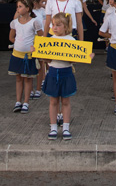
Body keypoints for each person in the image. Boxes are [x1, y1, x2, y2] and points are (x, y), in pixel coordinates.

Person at [44, 13, 84, 141]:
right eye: (53, 25)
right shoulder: (50, 40)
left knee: (66, 101)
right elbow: (47, 59)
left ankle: (66, 127)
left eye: (58, 25)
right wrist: (37, 51)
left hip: (66, 72)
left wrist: (86, 57)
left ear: (66, 26)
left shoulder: (71, 41)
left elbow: (74, 60)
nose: (54, 28)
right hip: (53, 72)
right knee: (53, 101)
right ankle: (53, 127)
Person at [9, 0, 43, 114]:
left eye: (20, 6)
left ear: (28, 8)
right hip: (17, 54)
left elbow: (40, 36)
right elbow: (11, 37)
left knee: (28, 79)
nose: (18, 9)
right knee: (18, 78)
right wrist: (18, 43)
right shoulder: (14, 22)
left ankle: (26, 102)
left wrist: (35, 47)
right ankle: (18, 101)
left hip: (28, 55)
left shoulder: (34, 22)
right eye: (17, 7)